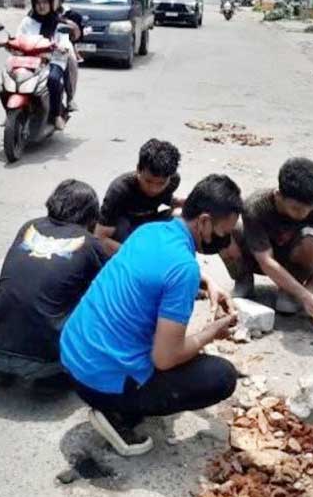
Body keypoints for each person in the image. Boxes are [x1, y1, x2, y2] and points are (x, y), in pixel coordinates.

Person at [60, 174, 243, 457]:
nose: (226, 240)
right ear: (205, 221)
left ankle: (119, 398)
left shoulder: (151, 231)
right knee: (221, 376)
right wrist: (213, 332)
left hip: (73, 356)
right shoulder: (184, 269)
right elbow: (165, 358)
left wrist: (207, 283)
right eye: (223, 231)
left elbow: (158, 271)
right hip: (98, 381)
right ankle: (118, 415)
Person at [0, 180, 107, 386]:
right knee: (97, 296)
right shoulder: (91, 244)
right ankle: (53, 375)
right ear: (91, 214)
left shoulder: (29, 226)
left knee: (9, 269)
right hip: (47, 363)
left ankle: (6, 359)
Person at [218, 158, 313, 328]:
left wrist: (310, 287)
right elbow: (265, 261)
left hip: (293, 260)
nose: (302, 214)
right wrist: (306, 297)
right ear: (278, 195)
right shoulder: (256, 206)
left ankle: (290, 292)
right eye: (296, 209)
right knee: (224, 232)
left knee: (311, 241)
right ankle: (243, 280)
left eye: (308, 209)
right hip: (260, 256)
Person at [94, 139, 184, 256]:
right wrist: (137, 256)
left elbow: (163, 198)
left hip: (149, 223)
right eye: (148, 181)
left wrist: (175, 201)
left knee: (181, 216)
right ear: (138, 169)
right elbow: (100, 238)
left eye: (161, 183)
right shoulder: (119, 189)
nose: (154, 189)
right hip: (125, 229)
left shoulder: (173, 181)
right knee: (120, 226)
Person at [17, 0, 73, 129]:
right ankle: (12, 111)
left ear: (51, 4)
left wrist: (62, 48)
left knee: (53, 80)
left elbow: (65, 42)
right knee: (13, 76)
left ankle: (56, 115)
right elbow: (18, 38)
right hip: (31, 60)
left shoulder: (58, 23)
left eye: (45, 3)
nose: (41, 6)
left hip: (53, 60)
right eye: (38, 3)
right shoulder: (27, 22)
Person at [44, 0, 82, 112]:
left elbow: (76, 32)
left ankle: (70, 98)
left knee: (70, 58)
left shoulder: (68, 13)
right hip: (38, 44)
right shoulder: (35, 12)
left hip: (60, 43)